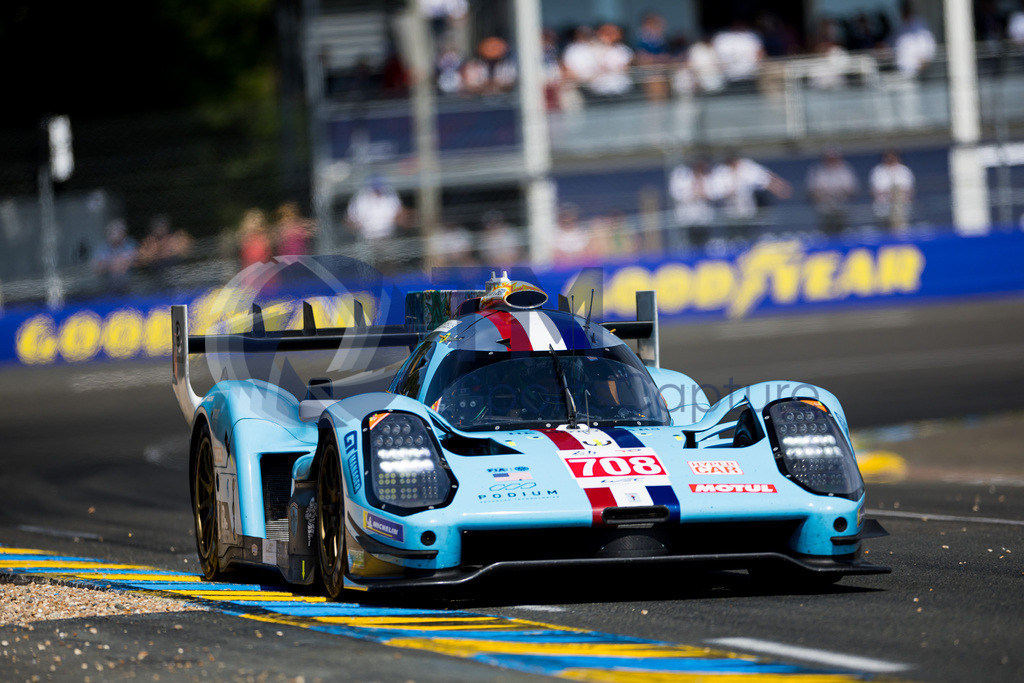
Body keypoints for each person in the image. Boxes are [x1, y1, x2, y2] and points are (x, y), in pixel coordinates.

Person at [709, 152, 791, 237]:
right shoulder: (721, 171)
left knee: (748, 235)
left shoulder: (746, 166)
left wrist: (780, 188)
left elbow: (764, 177)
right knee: (732, 237)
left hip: (747, 212)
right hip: (729, 213)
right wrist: (728, 192)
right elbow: (714, 192)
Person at [807, 147, 859, 237]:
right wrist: (826, 194)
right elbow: (813, 190)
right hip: (824, 210)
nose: (831, 160)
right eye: (829, 157)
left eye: (834, 157)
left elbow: (851, 188)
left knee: (844, 234)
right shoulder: (818, 170)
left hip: (842, 208)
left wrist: (836, 193)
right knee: (826, 234)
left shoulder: (845, 169)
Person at [669, 156, 716, 250]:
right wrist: (694, 194)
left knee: (705, 243)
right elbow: (678, 194)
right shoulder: (682, 176)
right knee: (689, 244)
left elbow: (714, 193)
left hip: (704, 218)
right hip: (688, 218)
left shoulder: (707, 176)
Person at [345, 176, 407, 243]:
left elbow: (400, 213)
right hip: (368, 238)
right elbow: (349, 222)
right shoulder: (360, 199)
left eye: (380, 188)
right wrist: (357, 225)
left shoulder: (390, 194)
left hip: (388, 236)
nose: (378, 191)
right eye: (375, 189)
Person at [870, 149, 914, 231]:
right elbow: (875, 190)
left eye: (892, 157)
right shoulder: (878, 171)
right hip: (883, 207)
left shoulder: (904, 170)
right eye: (888, 157)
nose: (890, 159)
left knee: (902, 230)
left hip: (901, 207)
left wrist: (895, 194)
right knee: (884, 230)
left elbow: (909, 190)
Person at [91, 219, 138, 293]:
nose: (113, 234)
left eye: (117, 231)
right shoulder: (102, 247)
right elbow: (96, 268)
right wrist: (114, 264)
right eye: (111, 231)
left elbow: (129, 264)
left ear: (123, 233)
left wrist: (108, 263)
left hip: (128, 287)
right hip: (106, 286)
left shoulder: (130, 244)